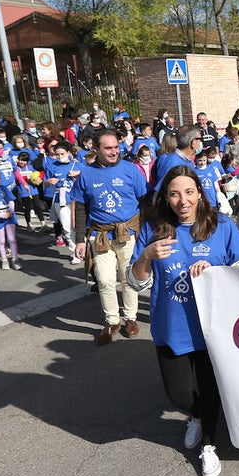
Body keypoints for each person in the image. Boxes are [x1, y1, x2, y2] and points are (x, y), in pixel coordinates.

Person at [128, 165, 239, 476]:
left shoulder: (221, 225)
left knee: (210, 388)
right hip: (172, 327)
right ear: (165, 198)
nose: (183, 200)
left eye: (189, 192)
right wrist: (146, 257)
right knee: (178, 394)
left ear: (200, 192)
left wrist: (214, 270)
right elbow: (134, 282)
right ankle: (195, 415)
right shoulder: (154, 228)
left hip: (212, 328)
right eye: (174, 193)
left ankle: (210, 446)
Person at [72, 129, 149, 344]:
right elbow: (80, 207)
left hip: (129, 233)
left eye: (116, 147)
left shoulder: (131, 170)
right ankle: (112, 320)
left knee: (128, 278)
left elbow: (145, 201)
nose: (115, 151)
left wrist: (145, 233)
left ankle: (130, 318)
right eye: (108, 148)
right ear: (96, 149)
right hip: (100, 235)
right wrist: (80, 239)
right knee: (105, 279)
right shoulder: (86, 174)